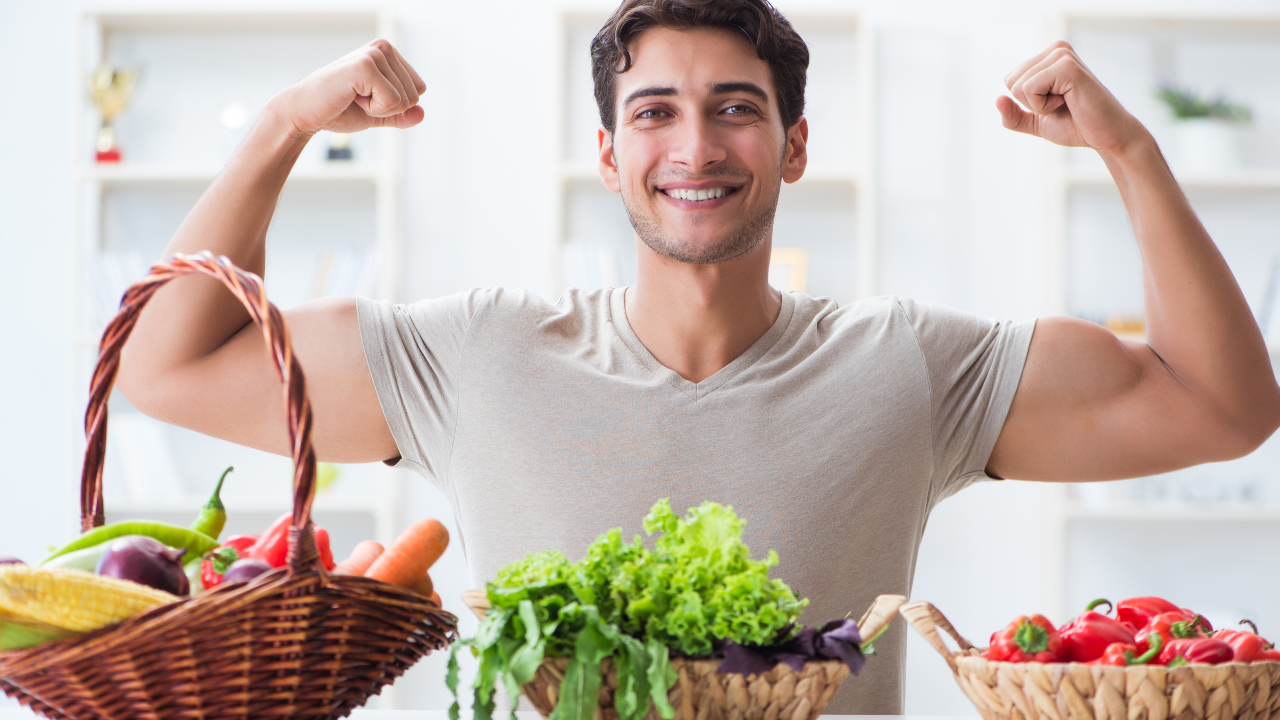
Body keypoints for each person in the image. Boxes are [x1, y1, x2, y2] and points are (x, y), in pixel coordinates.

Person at [116, 0, 1280, 713]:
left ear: (793, 147)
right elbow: (169, 363)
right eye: (655, 111)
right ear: (612, 156)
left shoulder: (909, 364)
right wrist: (282, 126)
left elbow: (1223, 407)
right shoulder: (469, 352)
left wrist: (1124, 148)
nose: (695, 143)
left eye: (734, 107)